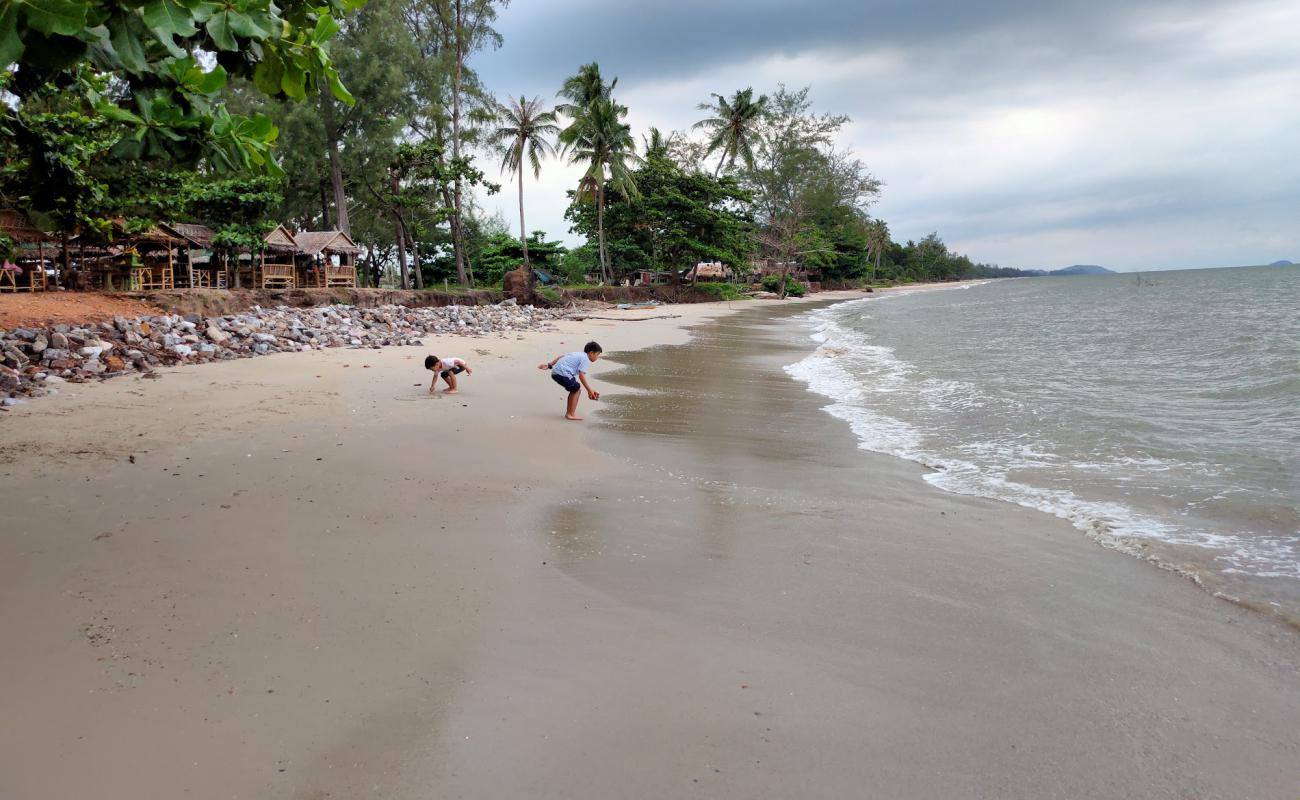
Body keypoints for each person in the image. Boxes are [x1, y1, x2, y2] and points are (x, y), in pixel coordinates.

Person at [538, 341, 602, 420]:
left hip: (555, 373)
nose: (597, 357)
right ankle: (570, 414)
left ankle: (570, 413)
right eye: (597, 354)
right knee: (576, 389)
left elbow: (561, 357)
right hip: (562, 373)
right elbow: (581, 376)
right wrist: (589, 390)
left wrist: (549, 365)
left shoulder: (577, 354)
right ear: (591, 353)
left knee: (574, 388)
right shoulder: (585, 359)